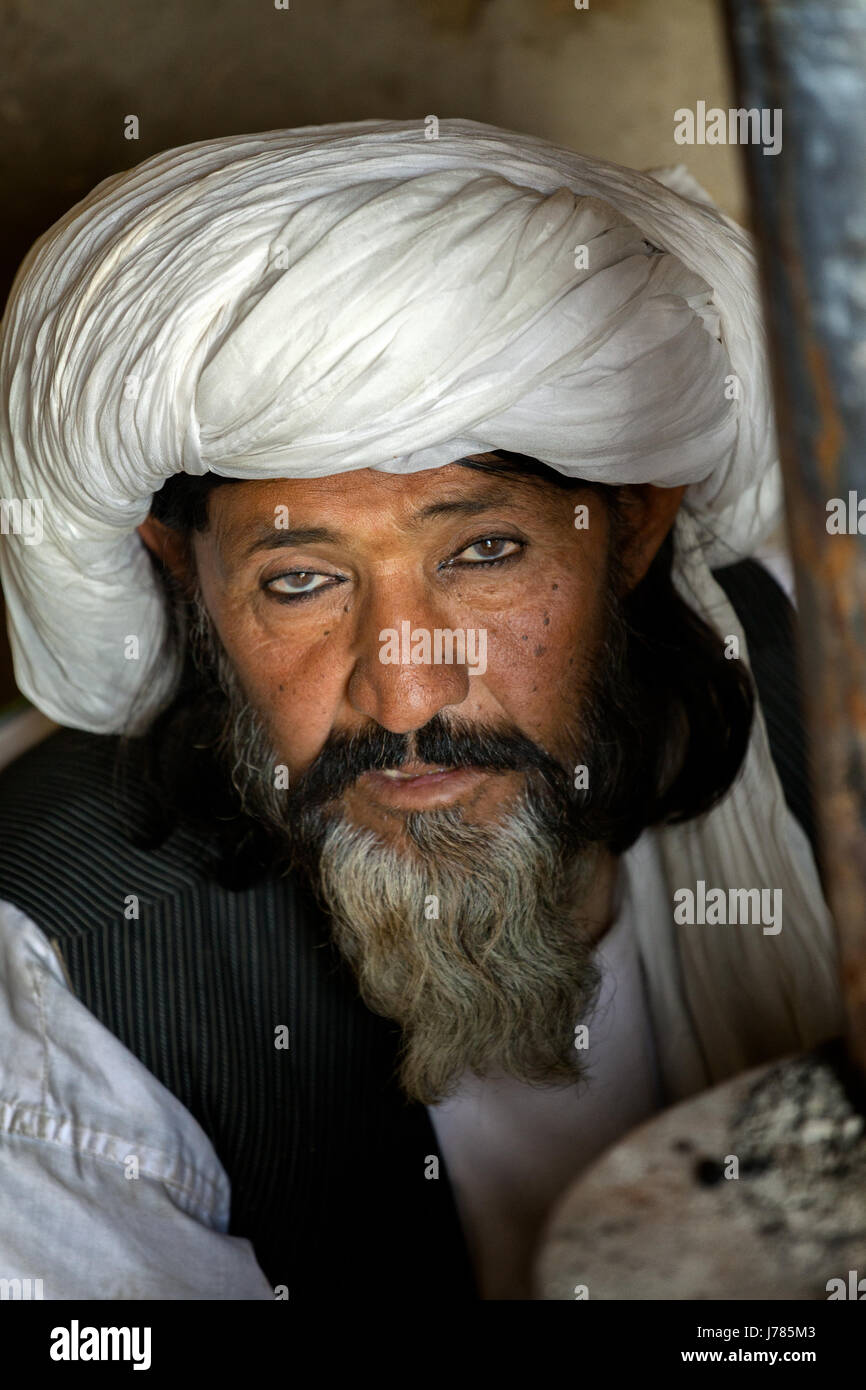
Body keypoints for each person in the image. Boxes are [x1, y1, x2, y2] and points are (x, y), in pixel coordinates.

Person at [0, 118, 843, 1302]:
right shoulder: (54, 985)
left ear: (636, 529)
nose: (402, 687)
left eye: (484, 552)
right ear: (186, 581)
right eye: (300, 581)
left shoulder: (831, 690)